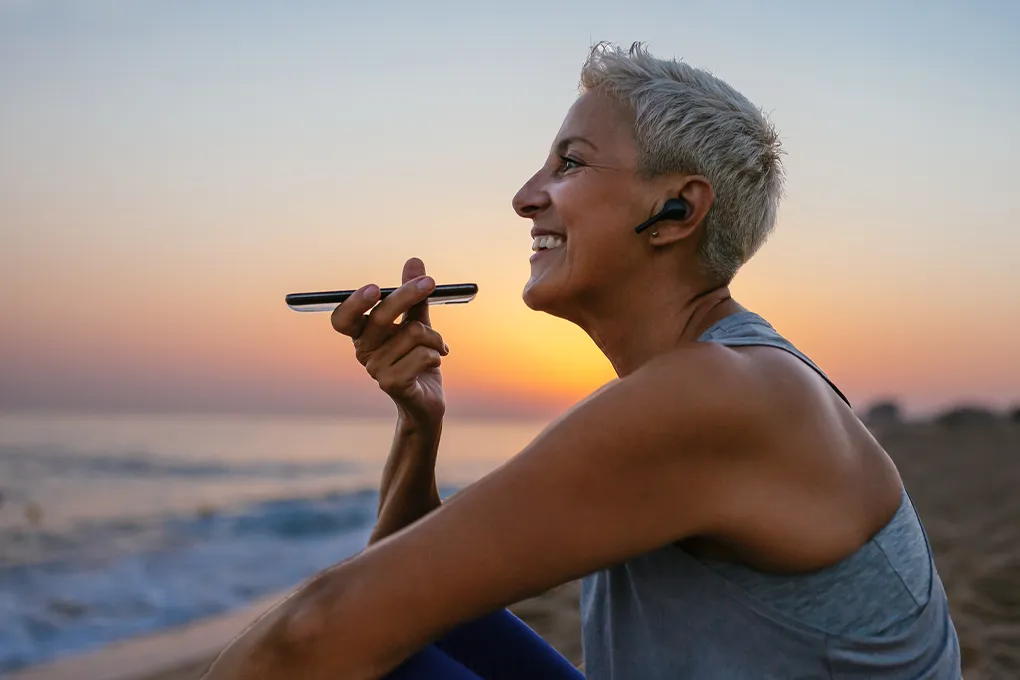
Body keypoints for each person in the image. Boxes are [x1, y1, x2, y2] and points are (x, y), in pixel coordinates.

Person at [202, 42, 961, 680]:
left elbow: (315, 629)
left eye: (569, 162)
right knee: (394, 626)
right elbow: (405, 595)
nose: (525, 197)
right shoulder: (721, 376)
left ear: (677, 211)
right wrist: (418, 423)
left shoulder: (718, 395)